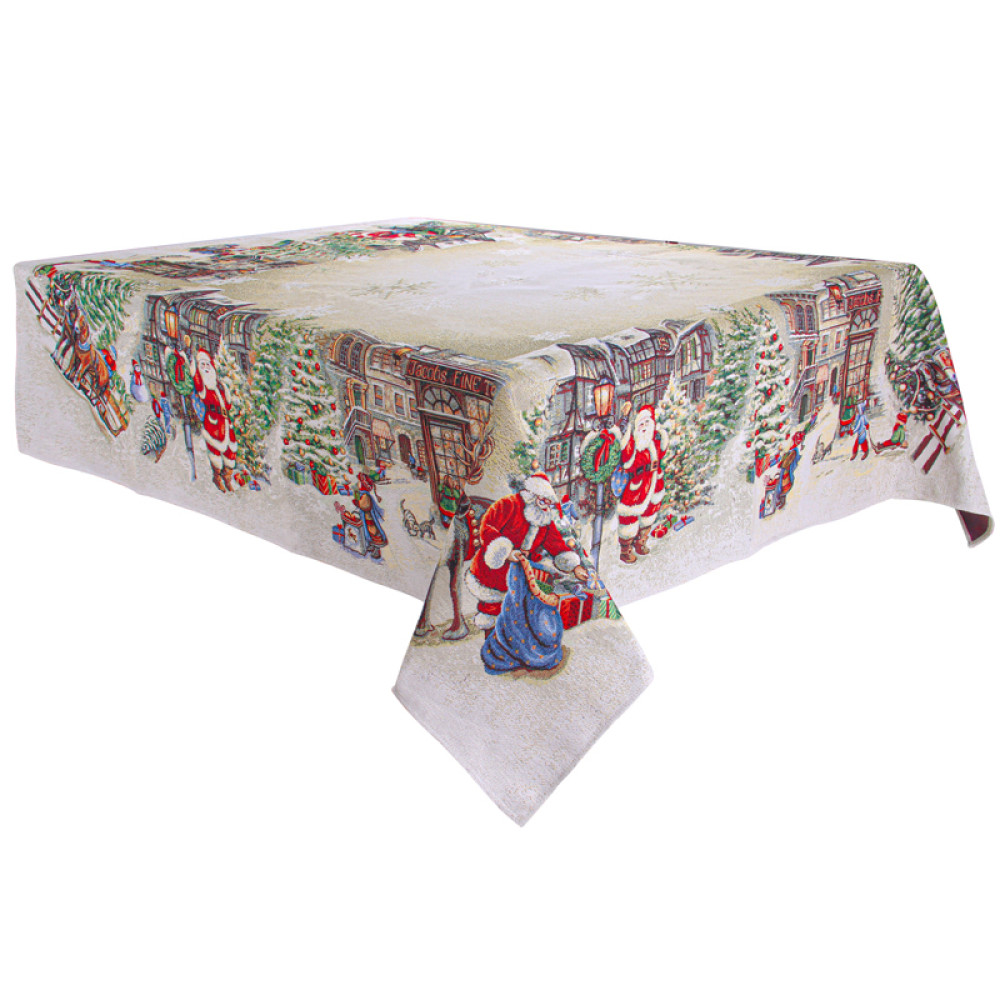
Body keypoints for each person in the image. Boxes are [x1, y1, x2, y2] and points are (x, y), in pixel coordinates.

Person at [465, 473, 587, 641]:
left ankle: (511, 643)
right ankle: (492, 644)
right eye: (543, 500)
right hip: (494, 568)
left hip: (521, 571)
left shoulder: (544, 518)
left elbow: (555, 543)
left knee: (517, 611)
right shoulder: (508, 504)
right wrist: (506, 552)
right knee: (492, 608)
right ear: (532, 494)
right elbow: (488, 526)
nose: (546, 506)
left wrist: (575, 566)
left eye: (549, 503)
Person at [611, 402, 667, 563]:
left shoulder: (654, 440)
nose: (643, 427)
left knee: (650, 511)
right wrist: (624, 419)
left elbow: (662, 451)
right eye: (641, 423)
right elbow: (626, 454)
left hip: (654, 481)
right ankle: (625, 549)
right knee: (629, 515)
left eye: (647, 423)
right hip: (637, 483)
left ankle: (641, 541)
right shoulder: (634, 442)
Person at [191, 349, 237, 492]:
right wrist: (194, 369)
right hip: (213, 422)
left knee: (231, 450)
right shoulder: (204, 388)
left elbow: (228, 404)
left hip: (225, 421)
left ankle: (227, 477)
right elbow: (198, 382)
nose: (206, 368)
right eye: (202, 365)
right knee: (215, 450)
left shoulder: (219, 387)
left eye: (207, 365)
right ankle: (217, 477)